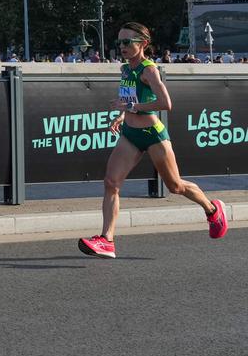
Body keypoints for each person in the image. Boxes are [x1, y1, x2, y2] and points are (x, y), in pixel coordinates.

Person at [78, 22, 228, 259]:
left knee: (175, 186)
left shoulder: (149, 70)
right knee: (111, 182)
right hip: (130, 134)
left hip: (152, 134)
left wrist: (131, 107)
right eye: (120, 42)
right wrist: (121, 114)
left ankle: (212, 210)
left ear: (143, 44)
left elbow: (165, 104)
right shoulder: (125, 69)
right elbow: (128, 96)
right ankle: (106, 240)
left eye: (128, 42)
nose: (122, 47)